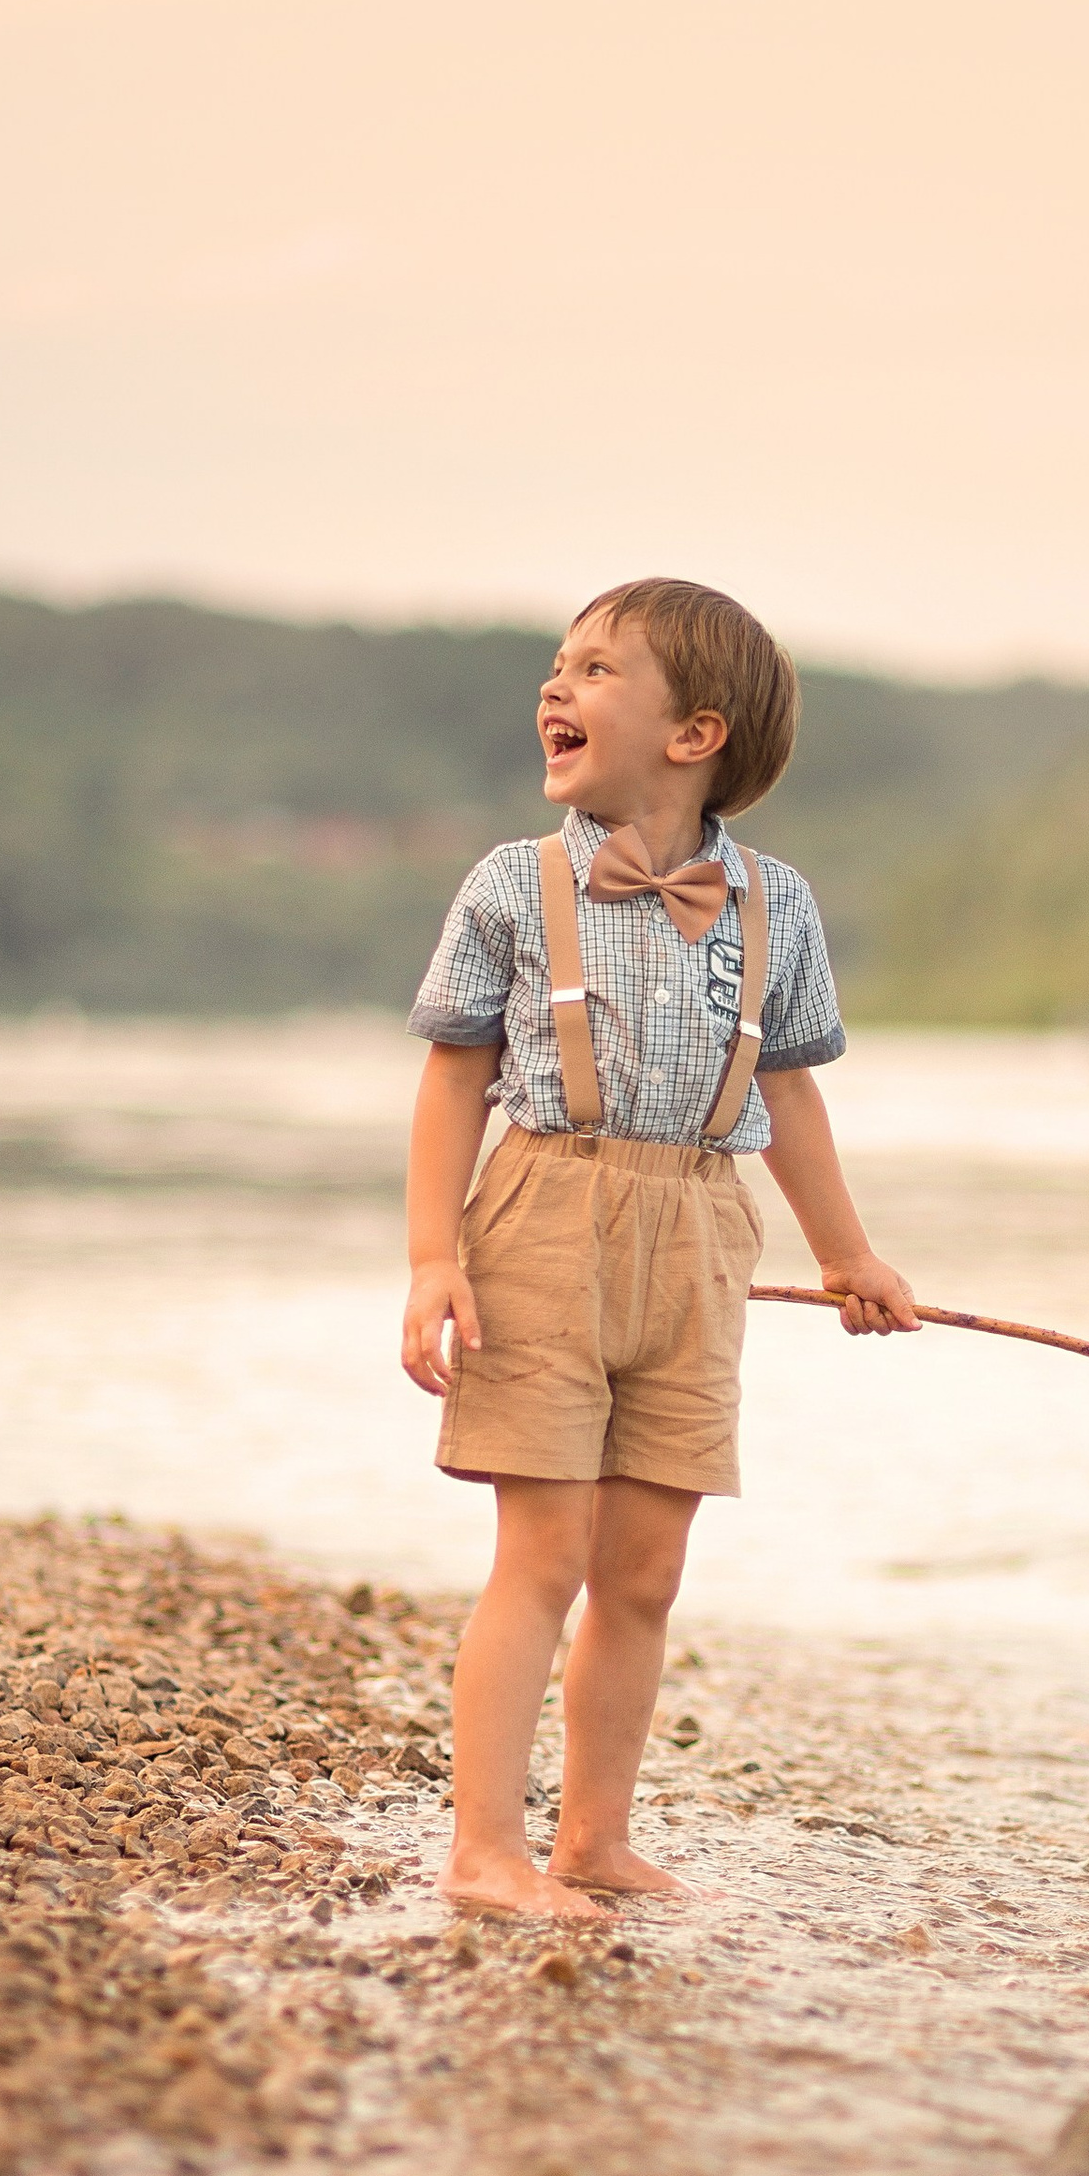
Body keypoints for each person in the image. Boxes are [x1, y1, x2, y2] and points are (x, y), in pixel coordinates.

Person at [402, 576, 918, 1917]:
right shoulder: (513, 884)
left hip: (700, 1231)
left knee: (645, 1564)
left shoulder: (778, 905)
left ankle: (592, 1839)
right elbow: (455, 1076)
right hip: (542, 1220)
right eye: (554, 670)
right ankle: (483, 1852)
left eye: (593, 671)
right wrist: (428, 1259)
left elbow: (790, 1091)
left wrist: (851, 1253)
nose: (553, 691)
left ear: (695, 736)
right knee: (545, 1553)